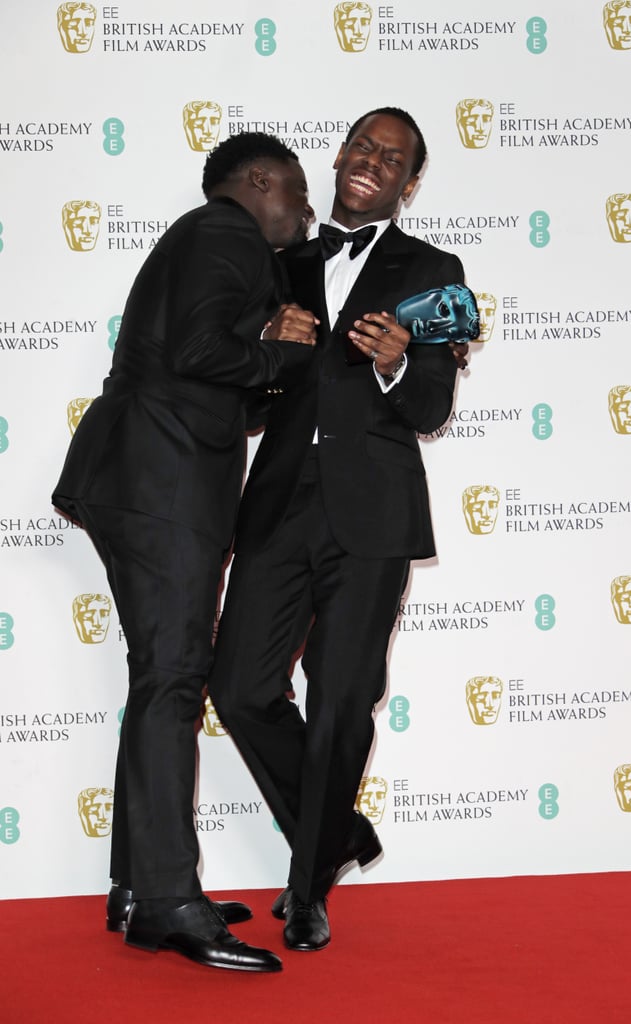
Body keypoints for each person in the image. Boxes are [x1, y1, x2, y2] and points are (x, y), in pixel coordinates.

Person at [52, 132, 317, 972]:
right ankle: (169, 897)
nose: (306, 215)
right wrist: (285, 348)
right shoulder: (223, 233)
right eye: (299, 197)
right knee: (171, 677)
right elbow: (205, 352)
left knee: (159, 677)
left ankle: (138, 884)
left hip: (148, 470)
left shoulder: (209, 242)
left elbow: (208, 377)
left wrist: (277, 368)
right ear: (260, 181)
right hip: (158, 479)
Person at [208, 107, 469, 951]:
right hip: (280, 505)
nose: (371, 162)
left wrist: (396, 360)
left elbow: (430, 409)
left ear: (409, 182)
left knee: (343, 698)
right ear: (340, 156)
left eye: (392, 157)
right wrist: (264, 346)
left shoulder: (434, 270)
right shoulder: (280, 262)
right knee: (240, 687)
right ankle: (337, 835)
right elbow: (247, 400)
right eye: (362, 146)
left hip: (376, 514)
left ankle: (307, 880)